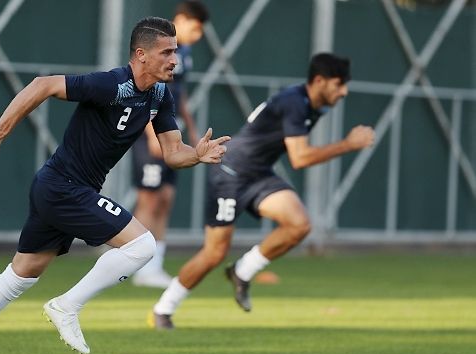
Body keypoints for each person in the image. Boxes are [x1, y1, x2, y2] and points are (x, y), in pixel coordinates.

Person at [0, 16, 230, 354]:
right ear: (141, 55)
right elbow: (42, 85)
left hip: (61, 188)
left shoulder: (159, 95)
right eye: (166, 52)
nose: (174, 60)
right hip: (63, 187)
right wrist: (0, 131)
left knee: (22, 275)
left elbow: (172, 152)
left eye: (175, 51)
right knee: (142, 246)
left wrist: (197, 154)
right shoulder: (112, 84)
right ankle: (67, 306)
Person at [149, 53, 375, 329]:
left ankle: (242, 271)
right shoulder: (295, 103)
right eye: (339, 84)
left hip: (259, 173)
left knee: (299, 224)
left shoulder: (314, 104)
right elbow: (300, 158)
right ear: (319, 81)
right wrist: (348, 144)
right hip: (231, 173)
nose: (344, 92)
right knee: (214, 253)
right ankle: (163, 308)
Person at [131, 1, 209, 289]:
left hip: (169, 132)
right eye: (196, 28)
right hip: (150, 133)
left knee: (165, 198)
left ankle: (154, 266)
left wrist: (191, 126)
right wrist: (152, 134)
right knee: (149, 198)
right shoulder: (159, 46)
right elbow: (149, 87)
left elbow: (180, 95)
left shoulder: (184, 55)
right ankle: (134, 263)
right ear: (181, 19)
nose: (198, 35)